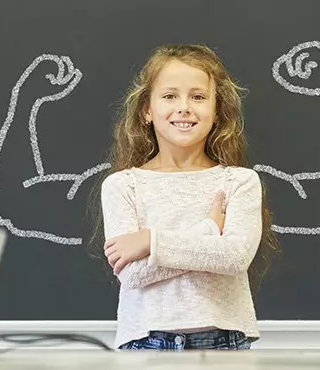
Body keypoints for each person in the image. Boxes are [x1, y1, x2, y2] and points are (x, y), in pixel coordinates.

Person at [93, 44, 280, 351]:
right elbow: (134, 274)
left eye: (198, 96)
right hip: (145, 343)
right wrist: (207, 231)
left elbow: (233, 257)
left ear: (216, 111)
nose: (184, 107)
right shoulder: (123, 186)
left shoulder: (239, 182)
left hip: (224, 341)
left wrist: (149, 242)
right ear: (147, 111)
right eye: (169, 96)